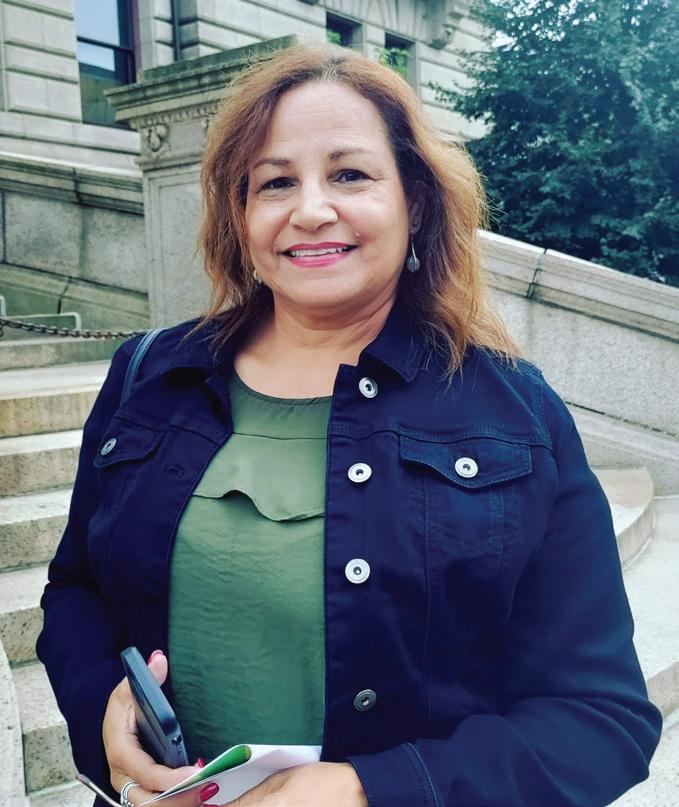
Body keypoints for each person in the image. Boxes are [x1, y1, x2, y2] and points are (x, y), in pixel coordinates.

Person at [37, 42, 661, 807]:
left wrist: (371, 788)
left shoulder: (515, 415)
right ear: (241, 215)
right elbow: (75, 590)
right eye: (274, 182)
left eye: (349, 175)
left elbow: (600, 720)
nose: (308, 209)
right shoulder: (147, 379)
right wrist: (100, 708)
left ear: (416, 202)